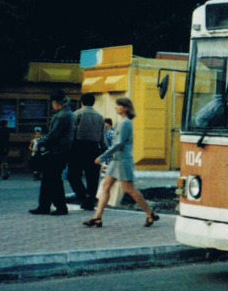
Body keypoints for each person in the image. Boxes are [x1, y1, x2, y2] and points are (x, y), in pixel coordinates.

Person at [83, 97, 158, 228]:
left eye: (118, 105)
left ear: (126, 108)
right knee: (106, 186)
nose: (115, 107)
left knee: (130, 190)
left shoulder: (126, 123)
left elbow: (118, 143)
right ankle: (97, 217)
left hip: (123, 161)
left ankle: (149, 213)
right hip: (117, 160)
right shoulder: (121, 122)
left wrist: (102, 157)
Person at [30, 91, 73, 216]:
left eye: (53, 103)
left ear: (56, 103)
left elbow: (54, 135)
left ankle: (59, 207)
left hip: (57, 151)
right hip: (62, 151)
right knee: (49, 179)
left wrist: (41, 141)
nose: (52, 106)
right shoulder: (67, 113)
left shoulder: (62, 115)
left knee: (53, 179)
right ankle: (44, 206)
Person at [69, 93, 104, 210]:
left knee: (73, 175)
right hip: (94, 148)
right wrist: (104, 151)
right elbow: (103, 137)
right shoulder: (100, 117)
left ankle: (83, 195)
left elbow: (71, 133)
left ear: (81, 102)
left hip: (78, 147)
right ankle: (90, 200)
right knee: (92, 176)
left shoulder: (76, 114)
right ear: (93, 103)